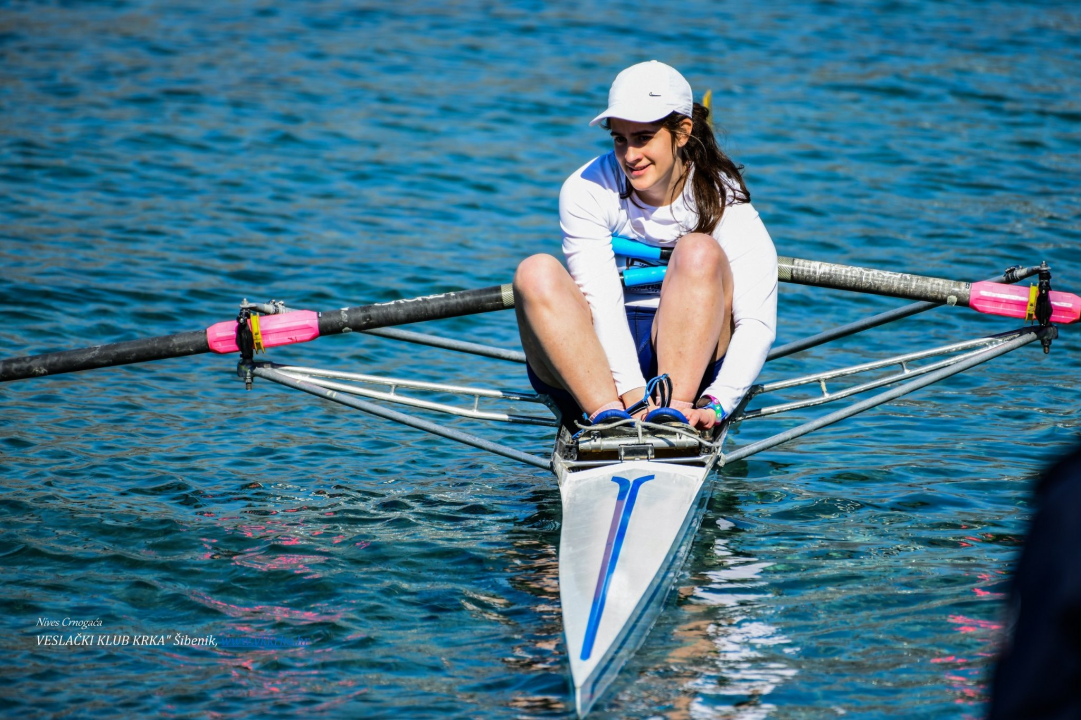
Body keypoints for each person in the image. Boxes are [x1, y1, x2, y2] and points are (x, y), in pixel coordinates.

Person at [514, 60, 777, 430]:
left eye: (643, 137)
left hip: (692, 355)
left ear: (683, 132)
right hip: (593, 366)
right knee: (535, 272)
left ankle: (676, 417)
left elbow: (756, 323)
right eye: (620, 139)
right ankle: (606, 418)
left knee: (698, 251)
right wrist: (632, 397)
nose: (630, 155)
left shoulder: (722, 196)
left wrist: (718, 405)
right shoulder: (586, 188)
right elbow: (602, 303)